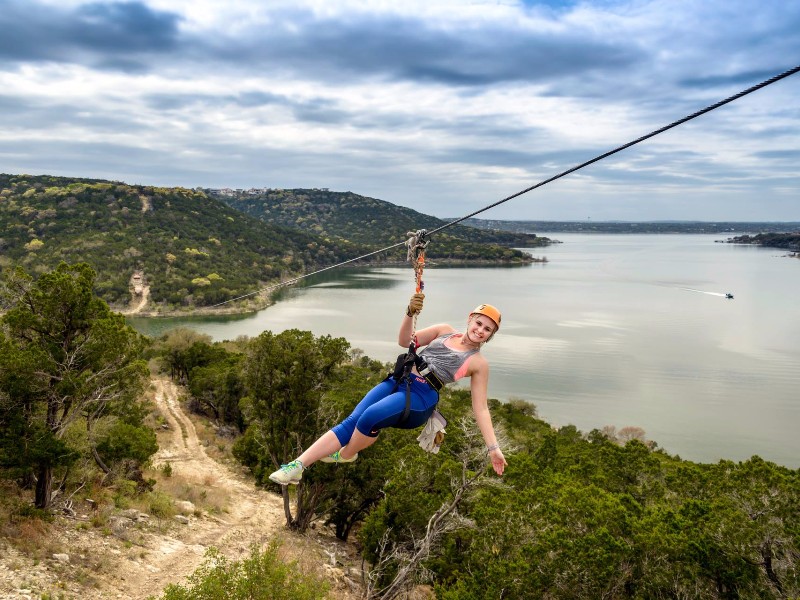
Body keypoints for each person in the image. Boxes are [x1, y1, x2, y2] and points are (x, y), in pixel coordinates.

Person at [268, 293, 508, 485]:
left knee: (370, 416)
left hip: (421, 398)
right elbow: (405, 341)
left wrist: (493, 448)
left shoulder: (478, 363)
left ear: (490, 337)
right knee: (352, 421)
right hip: (399, 380)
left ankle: (347, 454)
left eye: (487, 330)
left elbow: (481, 409)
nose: (480, 330)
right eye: (479, 323)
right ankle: (297, 466)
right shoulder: (443, 330)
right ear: (470, 318)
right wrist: (409, 313)